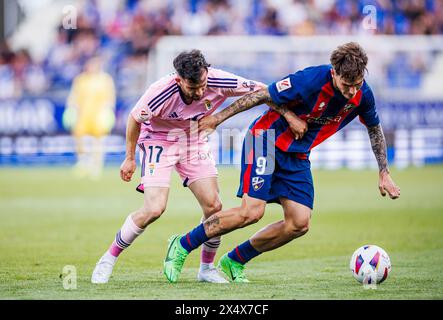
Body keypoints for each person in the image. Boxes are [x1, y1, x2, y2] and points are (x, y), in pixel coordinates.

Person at [163, 42, 401, 283]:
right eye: (346, 85)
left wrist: (384, 171)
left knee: (299, 223)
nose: (351, 91)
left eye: (356, 85)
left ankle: (235, 259)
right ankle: (182, 245)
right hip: (265, 138)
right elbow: (262, 94)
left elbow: (374, 127)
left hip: (297, 153)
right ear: (334, 72)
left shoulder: (364, 94)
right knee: (251, 212)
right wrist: (218, 118)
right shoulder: (310, 79)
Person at [91, 49, 301, 284]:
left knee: (214, 206)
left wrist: (288, 115)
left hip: (192, 140)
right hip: (159, 140)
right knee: (154, 209)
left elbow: (264, 91)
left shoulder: (220, 80)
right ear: (179, 80)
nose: (200, 92)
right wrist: (129, 158)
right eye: (193, 88)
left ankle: (206, 268)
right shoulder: (160, 92)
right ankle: (108, 259)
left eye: (202, 84)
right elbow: (134, 119)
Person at [64, 55, 116, 180]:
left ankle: (96, 165)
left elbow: (110, 97)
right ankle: (83, 162)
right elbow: (73, 96)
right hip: (83, 115)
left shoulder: (105, 79)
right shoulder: (81, 79)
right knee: (81, 139)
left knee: (98, 141)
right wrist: (71, 109)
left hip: (98, 116)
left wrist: (108, 111)